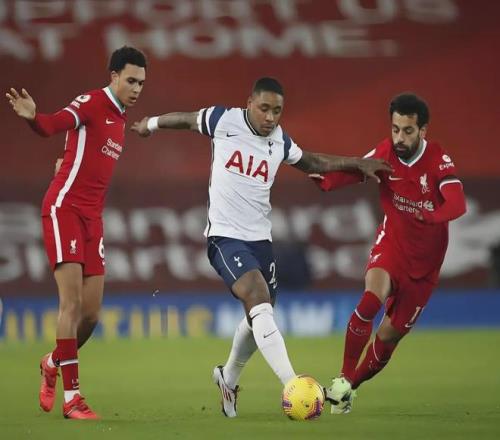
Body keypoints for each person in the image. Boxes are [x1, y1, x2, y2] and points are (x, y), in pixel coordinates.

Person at [131, 77, 392, 417]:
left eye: (277, 111)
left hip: (260, 241)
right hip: (224, 236)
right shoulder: (223, 120)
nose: (270, 117)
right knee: (257, 297)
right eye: (264, 108)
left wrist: (357, 163)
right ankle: (294, 385)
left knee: (260, 315)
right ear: (250, 103)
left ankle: (227, 378)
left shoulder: (279, 140)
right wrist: (151, 124)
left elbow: (312, 162)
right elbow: (186, 119)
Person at [5, 46, 147, 420]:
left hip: (92, 220)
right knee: (70, 305)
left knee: (91, 315)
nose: (136, 88)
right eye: (131, 80)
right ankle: (73, 400)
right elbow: (54, 124)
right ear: (114, 76)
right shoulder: (92, 102)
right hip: (64, 210)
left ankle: (52, 362)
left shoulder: (120, 119)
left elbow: (84, 157)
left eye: (141, 83)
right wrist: (33, 118)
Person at [311, 93, 467, 414]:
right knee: (371, 300)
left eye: (407, 131)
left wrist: (433, 216)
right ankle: (343, 377)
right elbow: (359, 169)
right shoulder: (386, 152)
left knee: (387, 338)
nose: (399, 138)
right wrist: (327, 182)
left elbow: (457, 203)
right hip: (392, 245)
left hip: (424, 267)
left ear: (422, 131)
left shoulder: (438, 159)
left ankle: (349, 388)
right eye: (395, 129)